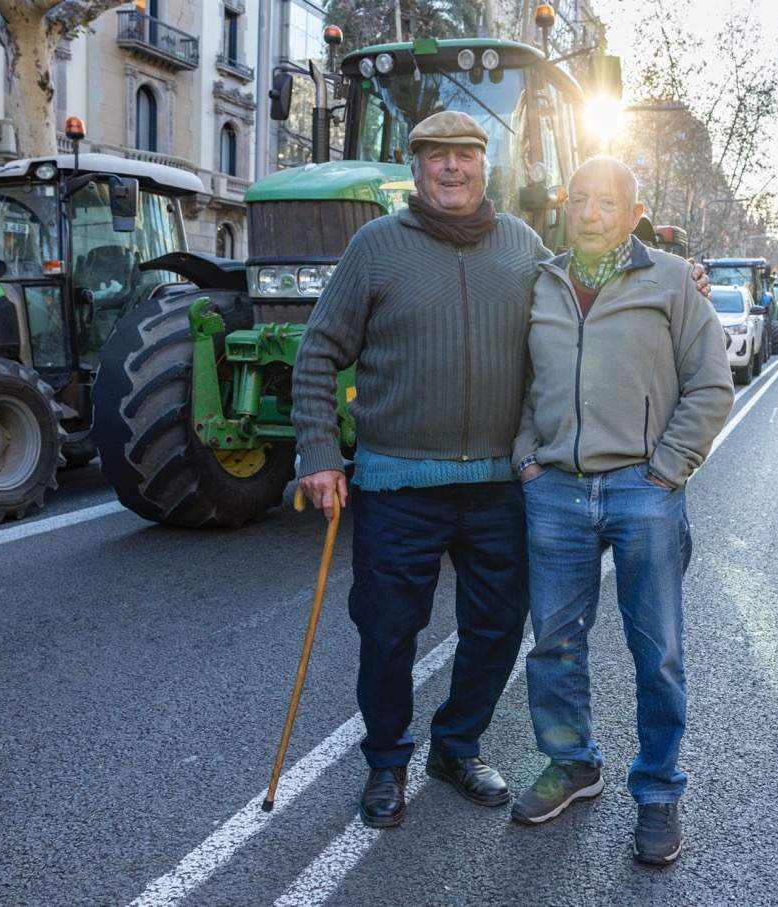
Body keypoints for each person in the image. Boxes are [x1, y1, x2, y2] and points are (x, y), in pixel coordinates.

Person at [291, 113, 707, 830]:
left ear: (486, 166)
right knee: (388, 632)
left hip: (497, 487)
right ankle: (387, 759)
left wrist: (676, 274)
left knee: (498, 629)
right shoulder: (375, 247)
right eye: (436, 157)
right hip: (397, 483)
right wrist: (320, 453)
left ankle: (456, 744)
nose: (452, 168)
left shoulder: (523, 247)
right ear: (415, 167)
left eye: (465, 156)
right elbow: (317, 351)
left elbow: (596, 274)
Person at [510, 157, 733, 865]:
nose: (591, 211)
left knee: (657, 651)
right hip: (557, 489)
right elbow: (521, 379)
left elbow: (711, 382)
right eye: (579, 199)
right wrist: (527, 454)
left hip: (644, 489)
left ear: (634, 211)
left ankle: (660, 791)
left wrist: (667, 469)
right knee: (553, 642)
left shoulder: (669, 278)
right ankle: (574, 762)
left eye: (607, 201)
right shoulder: (541, 281)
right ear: (564, 207)